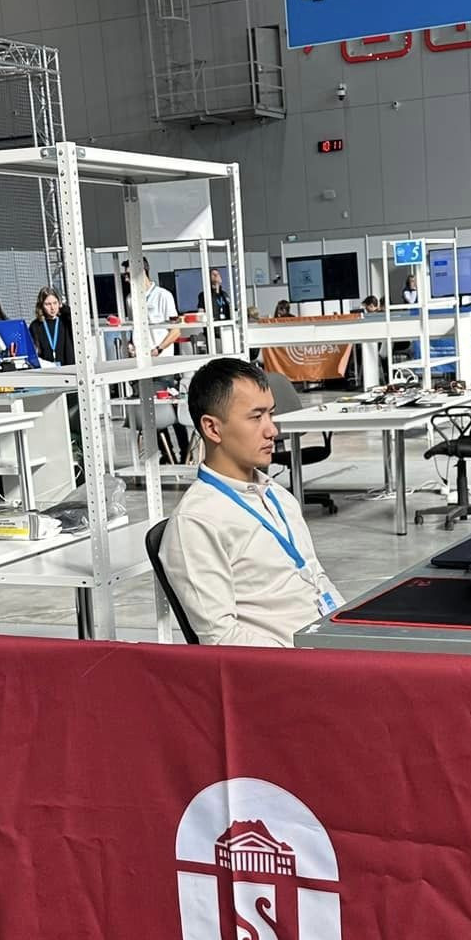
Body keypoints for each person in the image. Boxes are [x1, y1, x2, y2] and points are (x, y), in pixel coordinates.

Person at [162, 358, 342, 648]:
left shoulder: (278, 496)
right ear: (213, 428)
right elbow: (222, 639)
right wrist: (309, 661)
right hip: (291, 665)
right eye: (256, 417)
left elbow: (316, 577)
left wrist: (352, 633)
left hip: (332, 645)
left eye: (271, 414)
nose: (272, 430)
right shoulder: (197, 522)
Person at [132, 256, 180, 358]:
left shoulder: (163, 295)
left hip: (162, 359)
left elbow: (176, 330)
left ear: (142, 272)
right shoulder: (132, 298)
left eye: (128, 274)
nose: (126, 279)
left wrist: (158, 349)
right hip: (140, 358)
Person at [29, 286, 75, 365]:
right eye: (48, 304)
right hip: (47, 368)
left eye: (55, 303)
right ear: (41, 305)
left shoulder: (65, 321)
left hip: (68, 366)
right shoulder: (36, 326)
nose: (52, 307)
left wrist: (62, 306)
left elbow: (74, 315)